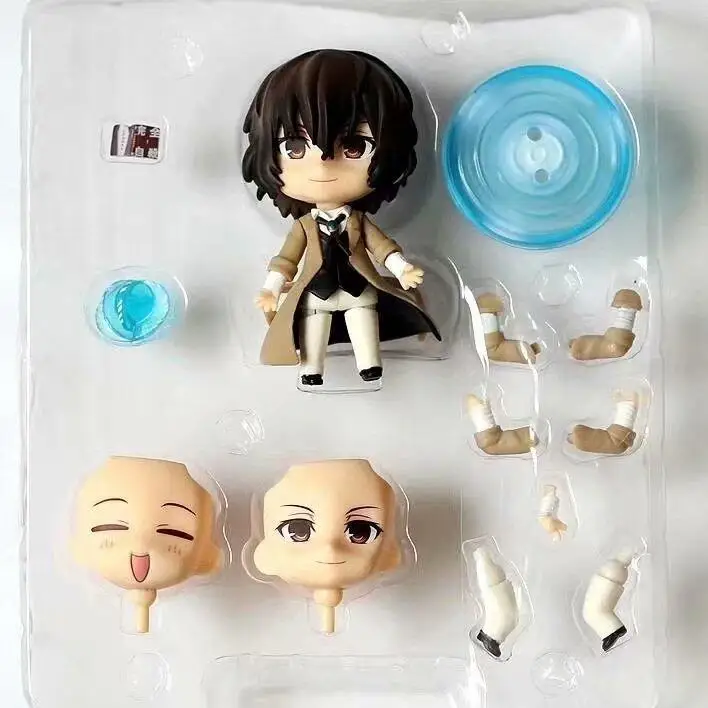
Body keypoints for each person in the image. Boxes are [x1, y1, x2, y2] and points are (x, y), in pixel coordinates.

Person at [243, 49, 440, 387]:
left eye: (354, 147)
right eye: (294, 148)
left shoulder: (359, 222)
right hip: (315, 292)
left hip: (359, 288)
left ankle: (370, 365)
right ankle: (311, 369)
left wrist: (402, 269)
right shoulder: (305, 226)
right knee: (313, 325)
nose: (322, 166)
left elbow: (382, 248)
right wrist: (270, 288)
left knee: (363, 318)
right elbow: (286, 260)